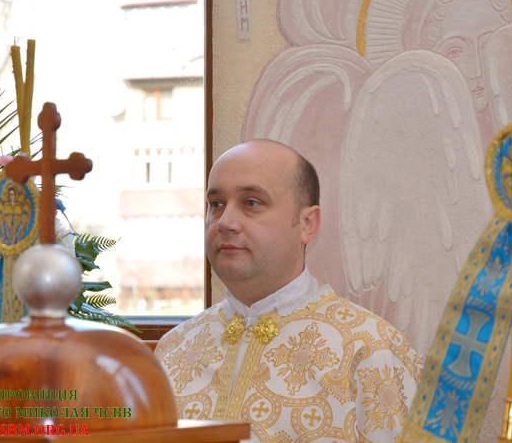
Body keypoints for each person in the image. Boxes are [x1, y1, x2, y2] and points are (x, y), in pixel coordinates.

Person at [155, 140, 422, 442]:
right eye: (216, 204)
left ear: (307, 223)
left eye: (251, 203)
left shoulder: (372, 352)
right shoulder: (172, 350)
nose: (225, 222)